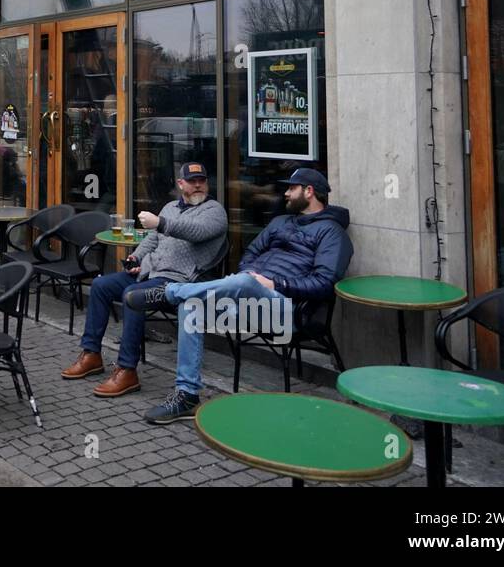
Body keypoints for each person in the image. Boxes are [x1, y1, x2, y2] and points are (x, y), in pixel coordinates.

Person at [144, 168, 354, 424]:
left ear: (309, 192)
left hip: (287, 312)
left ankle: (170, 292)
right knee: (193, 306)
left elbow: (324, 283)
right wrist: (251, 279)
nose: (285, 193)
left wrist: (274, 283)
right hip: (249, 302)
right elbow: (249, 256)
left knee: (243, 281)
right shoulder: (280, 222)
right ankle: (187, 396)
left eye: (292, 188)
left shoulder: (332, 233)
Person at [61, 163, 228, 397]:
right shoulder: (170, 207)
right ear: (181, 184)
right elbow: (152, 239)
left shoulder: (214, 211)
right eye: (192, 181)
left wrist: (160, 223)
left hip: (179, 284)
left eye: (202, 180)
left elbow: (195, 231)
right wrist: (136, 257)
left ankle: (127, 370)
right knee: (100, 286)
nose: (198, 185)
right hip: (149, 275)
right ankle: (91, 354)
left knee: (134, 297)